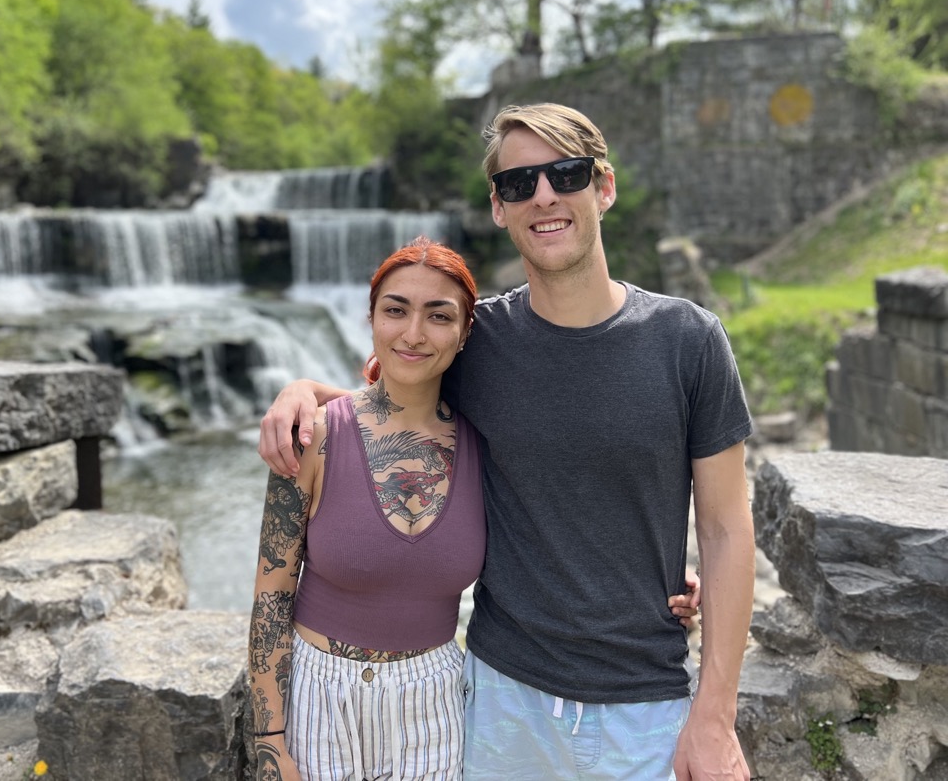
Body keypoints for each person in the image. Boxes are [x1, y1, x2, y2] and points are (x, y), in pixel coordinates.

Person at [258, 102, 755, 780]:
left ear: (602, 186)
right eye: (519, 184)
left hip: (646, 704)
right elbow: (379, 401)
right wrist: (300, 392)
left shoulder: (689, 341)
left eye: (565, 174)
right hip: (501, 701)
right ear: (498, 207)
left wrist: (715, 718)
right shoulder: (474, 341)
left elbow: (728, 530)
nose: (543, 196)